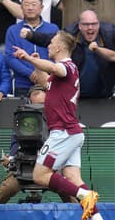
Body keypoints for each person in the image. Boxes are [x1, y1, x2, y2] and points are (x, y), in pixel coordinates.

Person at [14, 30, 103, 220]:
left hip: (63, 132)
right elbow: (45, 81)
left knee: (39, 176)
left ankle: (85, 196)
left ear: (59, 47)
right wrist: (38, 66)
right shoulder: (60, 74)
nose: (48, 45)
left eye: (51, 42)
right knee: (73, 178)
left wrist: (29, 58)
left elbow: (55, 69)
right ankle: (97, 218)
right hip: (71, 133)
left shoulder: (67, 66)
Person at [20, 10, 115, 98]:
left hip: (104, 95)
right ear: (79, 26)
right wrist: (31, 35)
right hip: (76, 97)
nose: (90, 27)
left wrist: (97, 49)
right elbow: (49, 39)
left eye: (94, 24)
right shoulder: (70, 37)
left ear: (99, 25)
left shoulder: (109, 33)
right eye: (86, 24)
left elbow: (113, 56)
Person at [0, 84, 46, 203]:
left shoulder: (56, 119)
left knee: (71, 195)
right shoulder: (22, 121)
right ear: (29, 101)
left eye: (42, 104)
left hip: (48, 171)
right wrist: (10, 159)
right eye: (35, 105)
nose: (39, 108)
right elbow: (15, 146)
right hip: (22, 172)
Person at [5, 0, 59, 97]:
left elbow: (57, 55)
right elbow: (9, 58)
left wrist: (43, 72)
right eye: (26, 4)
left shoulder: (53, 29)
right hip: (22, 84)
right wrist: (30, 73)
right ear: (21, 7)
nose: (30, 8)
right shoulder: (13, 30)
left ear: (41, 7)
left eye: (34, 4)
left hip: (48, 82)